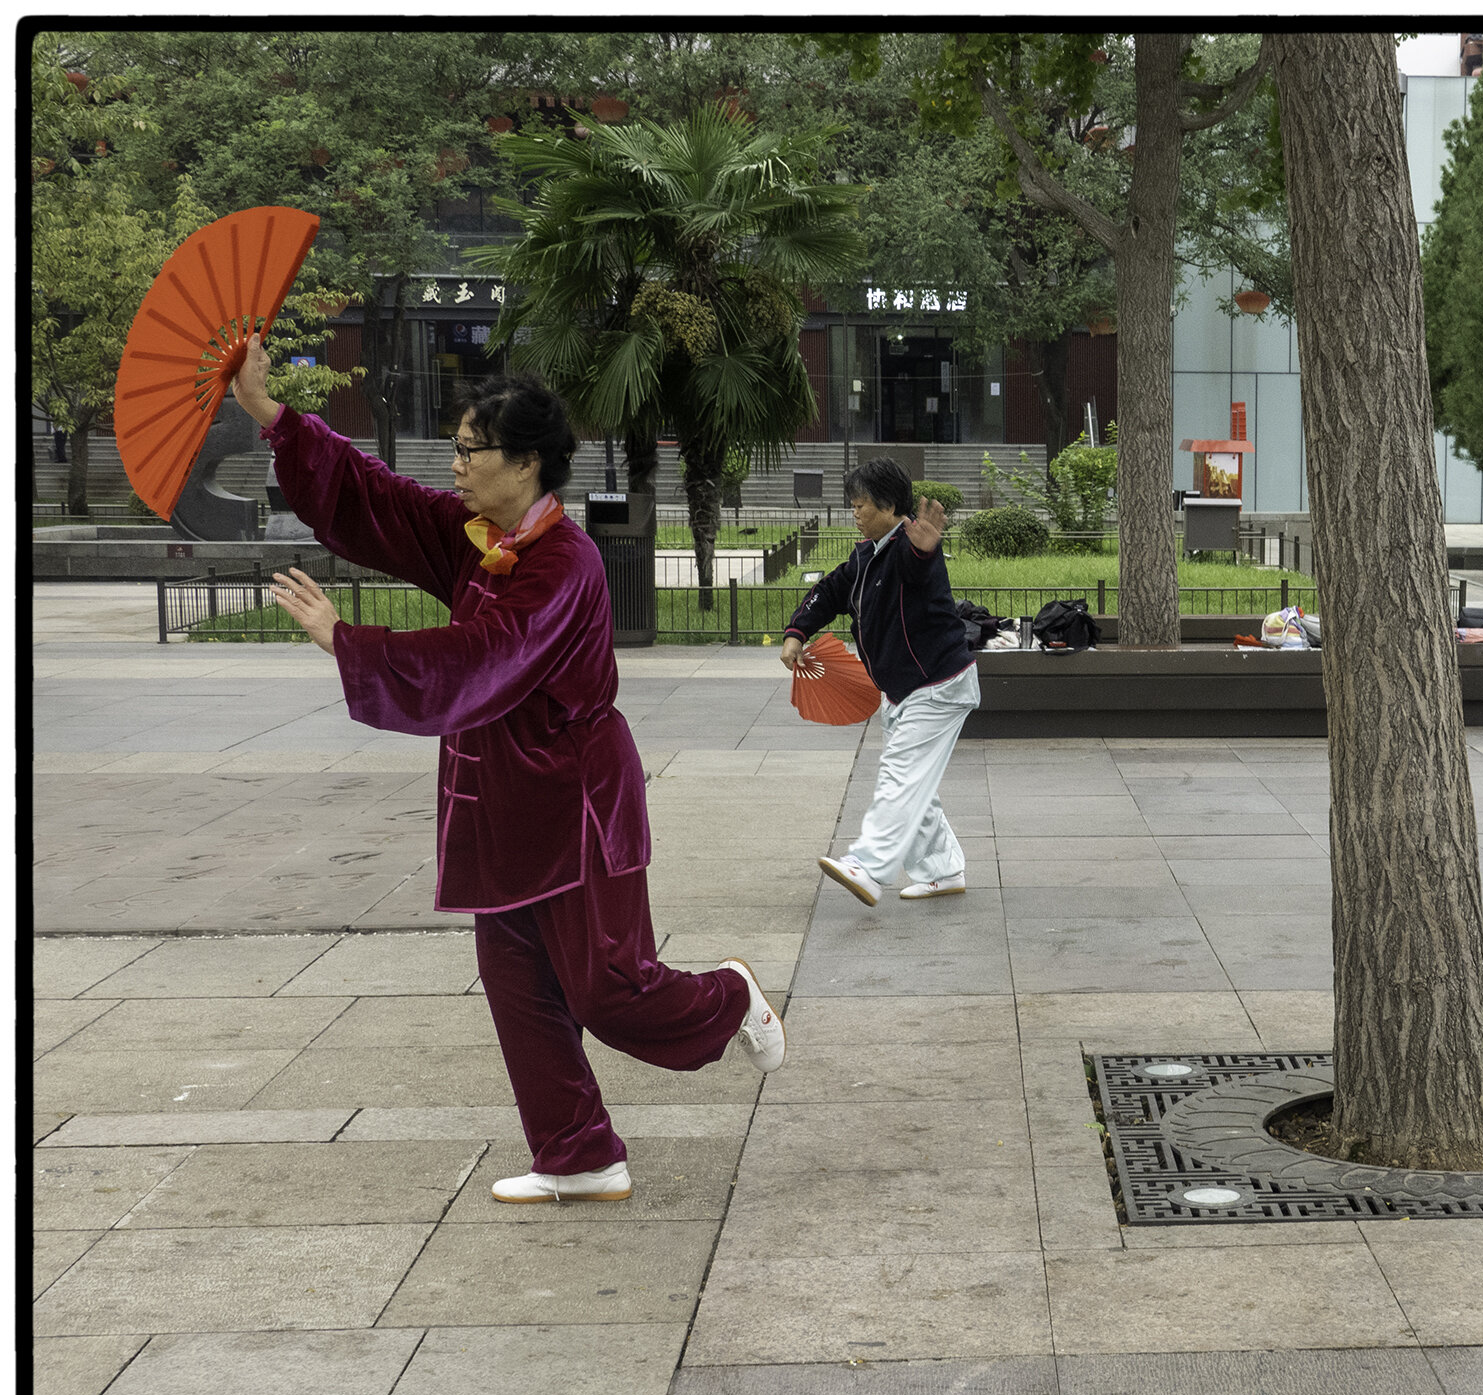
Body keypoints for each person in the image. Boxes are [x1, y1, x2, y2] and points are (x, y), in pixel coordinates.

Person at [239, 338, 787, 1204]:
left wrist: (347, 642)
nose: (453, 466)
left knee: (608, 990)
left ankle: (730, 996)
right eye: (456, 448)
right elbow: (381, 501)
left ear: (526, 462)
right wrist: (273, 417)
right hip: (495, 798)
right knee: (517, 983)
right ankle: (578, 1154)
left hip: (574, 804)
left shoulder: (564, 564)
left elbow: (484, 657)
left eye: (469, 450)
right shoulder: (480, 541)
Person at [783, 460, 977, 905]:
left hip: (937, 684)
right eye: (852, 505)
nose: (855, 512)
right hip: (901, 690)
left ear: (890, 505)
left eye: (862, 505)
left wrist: (926, 550)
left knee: (900, 776)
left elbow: (919, 566)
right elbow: (830, 591)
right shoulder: (865, 555)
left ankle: (868, 867)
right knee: (915, 785)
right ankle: (944, 870)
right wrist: (797, 631)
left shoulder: (910, 547)